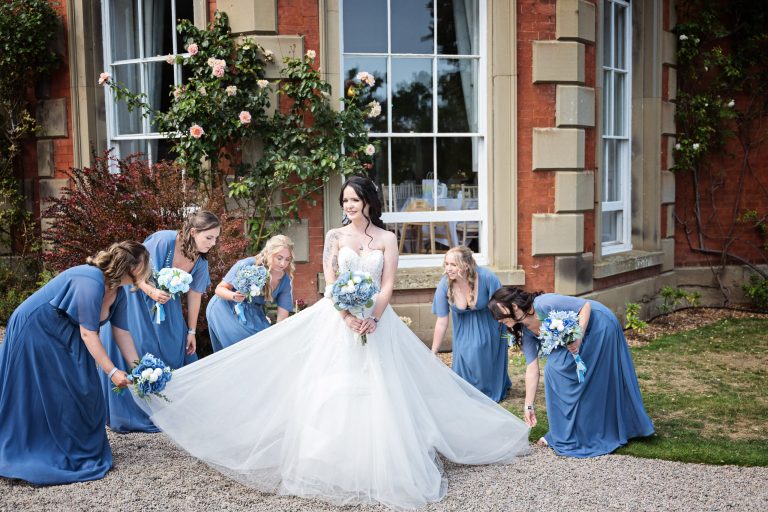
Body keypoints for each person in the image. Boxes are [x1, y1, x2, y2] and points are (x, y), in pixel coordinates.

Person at [133, 176, 530, 509]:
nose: (350, 205)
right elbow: (331, 281)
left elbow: (387, 283)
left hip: (377, 322)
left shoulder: (388, 240)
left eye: (355, 199)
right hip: (337, 321)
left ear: (369, 202)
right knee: (329, 386)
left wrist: (372, 317)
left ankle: (382, 461)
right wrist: (345, 314)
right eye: (345, 200)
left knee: (381, 387)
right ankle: (329, 460)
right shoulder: (336, 235)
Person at [0, 241, 150, 485]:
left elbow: (122, 333)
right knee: (53, 390)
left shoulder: (118, 293)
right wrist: (112, 372)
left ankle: (74, 446)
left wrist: (140, 368)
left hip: (66, 334)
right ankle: (39, 446)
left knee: (84, 389)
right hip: (37, 329)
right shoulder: (90, 280)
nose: (147, 272)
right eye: (145, 266)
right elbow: (89, 334)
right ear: (129, 266)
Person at [489, 286, 655, 458]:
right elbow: (532, 369)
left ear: (514, 306)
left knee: (580, 375)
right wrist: (528, 406)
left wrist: (579, 337)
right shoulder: (525, 332)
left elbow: (585, 306)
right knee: (556, 371)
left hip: (598, 325)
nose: (498, 319)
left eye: (499, 314)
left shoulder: (544, 303)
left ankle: (594, 429)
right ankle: (565, 431)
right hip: (577, 337)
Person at [100, 210, 220, 433]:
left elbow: (194, 295)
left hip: (166, 305)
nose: (213, 243)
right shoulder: (164, 240)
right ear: (193, 232)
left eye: (216, 238)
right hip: (137, 298)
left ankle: (168, 408)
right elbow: (135, 269)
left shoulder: (201, 260)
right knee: (141, 346)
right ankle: (136, 410)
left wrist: (191, 331)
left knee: (175, 347)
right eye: (209, 238)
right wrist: (151, 291)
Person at [431, 246, 511, 401]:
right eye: (446, 264)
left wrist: (511, 330)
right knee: (468, 353)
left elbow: (503, 306)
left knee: (480, 349)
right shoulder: (444, 285)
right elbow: (441, 321)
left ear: (466, 264)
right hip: (463, 329)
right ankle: (468, 389)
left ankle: (490, 387)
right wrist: (433, 352)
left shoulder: (487, 277)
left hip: (490, 324)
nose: (448, 268)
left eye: (453, 264)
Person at [206, 234, 295, 352]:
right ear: (269, 253)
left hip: (253, 312)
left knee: (266, 344)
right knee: (241, 350)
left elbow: (282, 317)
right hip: (225, 307)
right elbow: (219, 289)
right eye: (279, 258)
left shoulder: (285, 281)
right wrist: (234, 296)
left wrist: (278, 340)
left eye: (287, 259)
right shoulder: (249, 264)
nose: (283, 263)